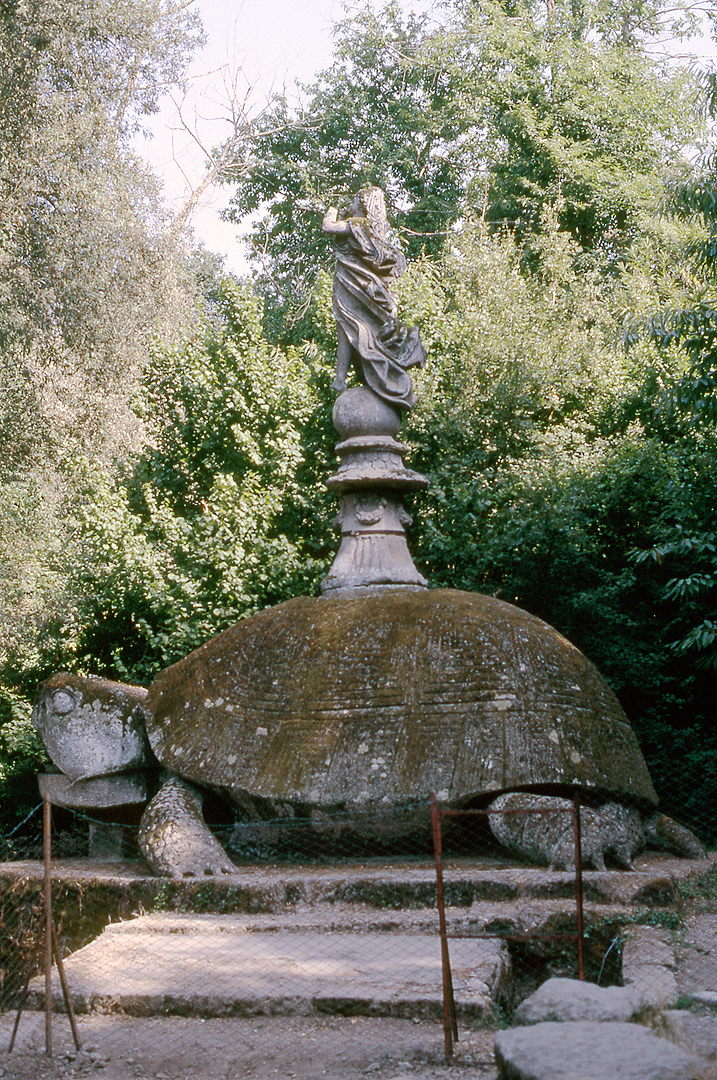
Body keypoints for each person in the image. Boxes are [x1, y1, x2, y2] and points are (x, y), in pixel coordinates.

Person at [322, 186, 425, 410]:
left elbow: (327, 226)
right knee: (353, 330)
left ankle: (341, 378)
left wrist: (331, 209)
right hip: (364, 289)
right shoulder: (375, 231)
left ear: (364, 206)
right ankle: (344, 378)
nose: (350, 205)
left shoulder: (355, 226)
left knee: (347, 329)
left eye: (354, 201)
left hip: (351, 287)